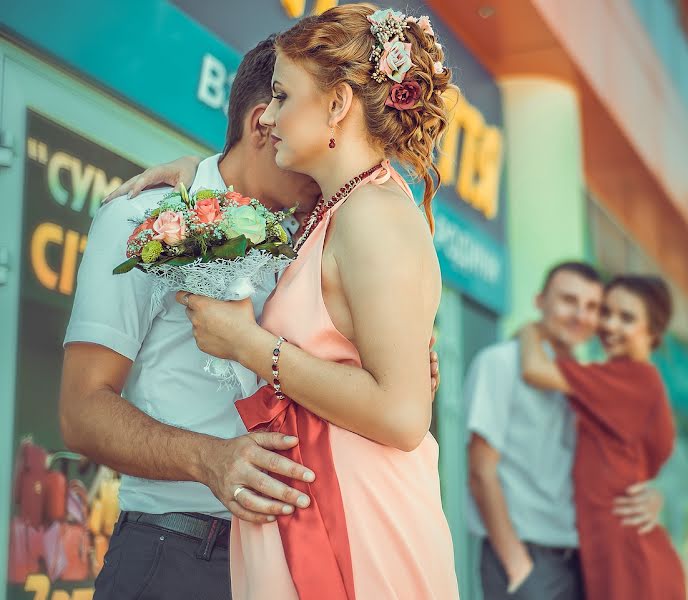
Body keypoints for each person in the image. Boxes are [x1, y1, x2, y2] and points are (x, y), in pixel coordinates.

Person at [61, 32, 440, 599]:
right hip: (178, 549)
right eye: (282, 102)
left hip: (296, 554)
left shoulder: (323, 229)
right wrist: (209, 460)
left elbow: (388, 397)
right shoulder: (146, 217)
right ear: (266, 122)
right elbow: (80, 410)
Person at [466, 262, 666, 599]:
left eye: (592, 308)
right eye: (568, 301)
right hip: (529, 559)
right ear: (540, 301)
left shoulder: (590, 379)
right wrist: (517, 564)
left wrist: (653, 496)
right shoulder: (499, 363)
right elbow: (481, 472)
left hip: (585, 560)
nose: (580, 315)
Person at [519, 275, 687, 599]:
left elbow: (534, 369)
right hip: (613, 551)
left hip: (630, 560)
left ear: (652, 331)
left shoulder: (635, 379)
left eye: (627, 318)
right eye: (606, 313)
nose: (609, 325)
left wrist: (530, 329)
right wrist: (656, 492)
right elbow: (657, 455)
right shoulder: (611, 378)